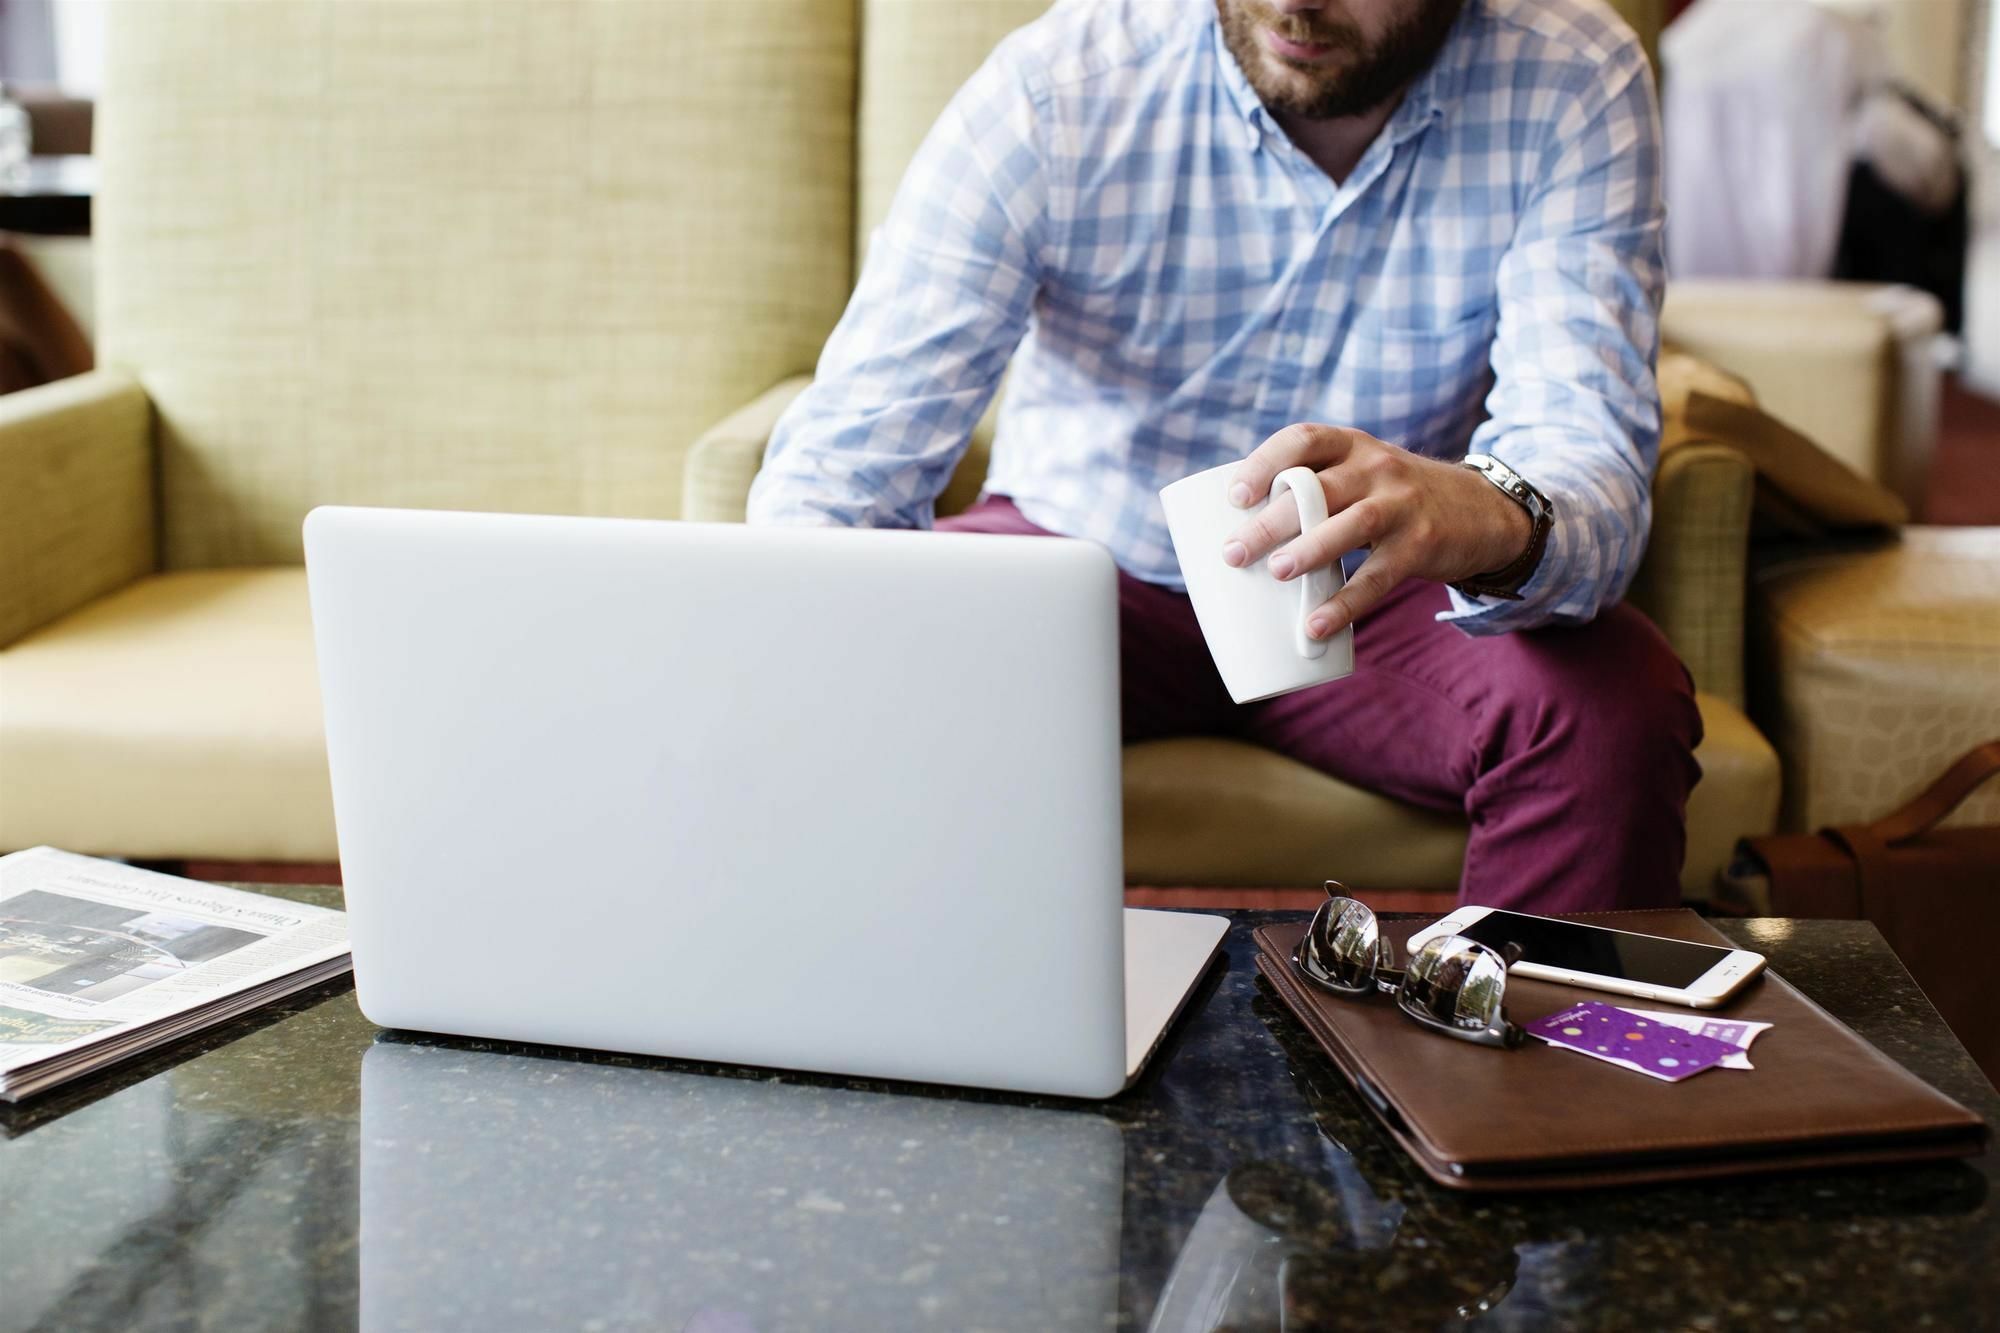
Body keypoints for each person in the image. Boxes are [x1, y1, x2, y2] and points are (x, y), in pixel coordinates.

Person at [748, 0, 1701, 912]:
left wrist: (1481, 510)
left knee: (1609, 710)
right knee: (854, 654)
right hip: (1085, 566)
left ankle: (1523, 1081)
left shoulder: (1572, 78)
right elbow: (844, 471)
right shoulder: (1060, 86)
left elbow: (1583, 451)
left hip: (1376, 596)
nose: (1292, 4)